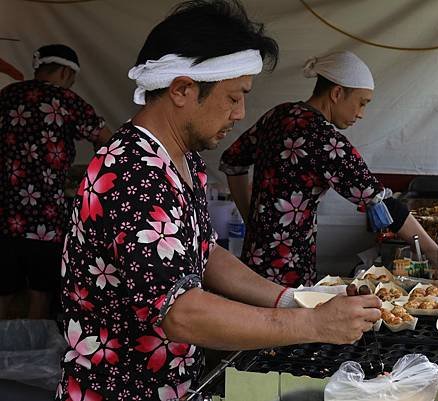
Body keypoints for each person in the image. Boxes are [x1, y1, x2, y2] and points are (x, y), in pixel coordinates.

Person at [57, 2, 381, 400]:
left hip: (173, 386)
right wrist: (312, 324)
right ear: (181, 89)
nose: (241, 113)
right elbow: (182, 312)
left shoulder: (181, 158)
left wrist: (291, 299)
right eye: (233, 97)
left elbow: (205, 252)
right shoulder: (131, 172)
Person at [219, 51, 438, 287]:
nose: (361, 114)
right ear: (336, 93)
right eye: (361, 103)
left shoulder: (280, 114)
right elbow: (382, 204)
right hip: (287, 268)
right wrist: (435, 253)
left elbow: (233, 161)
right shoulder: (323, 139)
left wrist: (251, 218)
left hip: (254, 258)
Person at [0, 44, 111, 319]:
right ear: (64, 72)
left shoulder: (6, 95)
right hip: (45, 220)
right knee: (41, 292)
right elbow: (107, 140)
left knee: (3, 292)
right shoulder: (66, 100)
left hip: (3, 215)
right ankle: (33, 357)